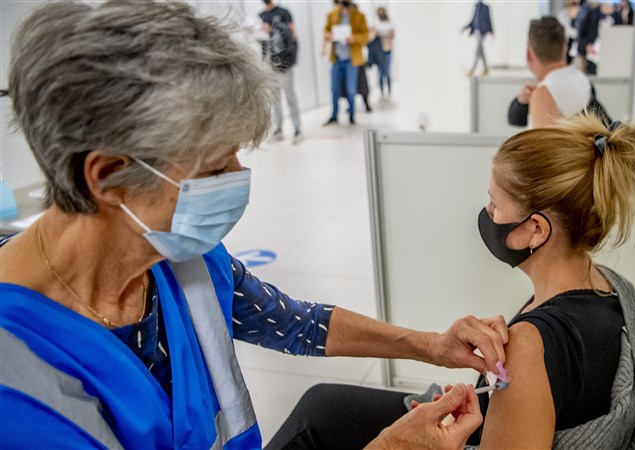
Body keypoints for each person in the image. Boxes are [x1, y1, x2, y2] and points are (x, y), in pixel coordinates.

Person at [0, 2, 507, 448]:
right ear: (110, 176)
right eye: (215, 168)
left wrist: (430, 345)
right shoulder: (20, 391)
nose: (239, 179)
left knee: (323, 409)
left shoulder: (177, 260)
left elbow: (293, 322)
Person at [266, 112, 635, 449]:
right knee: (320, 407)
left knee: (312, 423)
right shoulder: (611, 288)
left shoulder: (530, 346)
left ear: (536, 230)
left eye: (494, 204)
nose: (486, 213)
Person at [506, 17, 592, 129]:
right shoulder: (582, 81)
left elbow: (544, 146)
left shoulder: (544, 93)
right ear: (565, 48)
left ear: (528, 54)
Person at [260, 0, 301, 143]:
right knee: (275, 98)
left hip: (284, 62)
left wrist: (274, 28)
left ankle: (297, 129)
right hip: (270, 63)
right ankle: (278, 128)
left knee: (290, 96)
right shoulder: (262, 15)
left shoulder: (284, 12)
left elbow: (292, 34)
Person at [322, 0, 368, 126]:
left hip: (351, 59)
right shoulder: (332, 14)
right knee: (334, 89)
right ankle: (334, 116)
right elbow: (326, 31)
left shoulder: (359, 15)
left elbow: (365, 35)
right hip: (337, 58)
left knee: (351, 89)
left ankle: (352, 115)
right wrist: (328, 35)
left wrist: (354, 38)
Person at [463, 0, 494, 77]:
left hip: (483, 32)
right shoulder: (476, 7)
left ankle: (472, 70)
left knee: (477, 52)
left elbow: (489, 19)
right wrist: (465, 27)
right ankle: (486, 68)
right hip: (477, 32)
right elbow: (473, 20)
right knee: (481, 52)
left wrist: (491, 30)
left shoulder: (486, 7)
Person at [369, 7, 394, 97]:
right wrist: (376, 32)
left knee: (386, 73)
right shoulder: (376, 24)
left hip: (387, 50)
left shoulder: (389, 23)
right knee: (380, 73)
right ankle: (382, 92)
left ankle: (389, 91)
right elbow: (370, 37)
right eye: (379, 13)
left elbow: (393, 35)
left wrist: (385, 34)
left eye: (382, 12)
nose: (380, 14)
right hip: (378, 51)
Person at [574, 1, 600, 74]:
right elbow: (581, 34)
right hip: (590, 53)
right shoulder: (587, 13)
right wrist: (587, 45)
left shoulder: (616, 15)